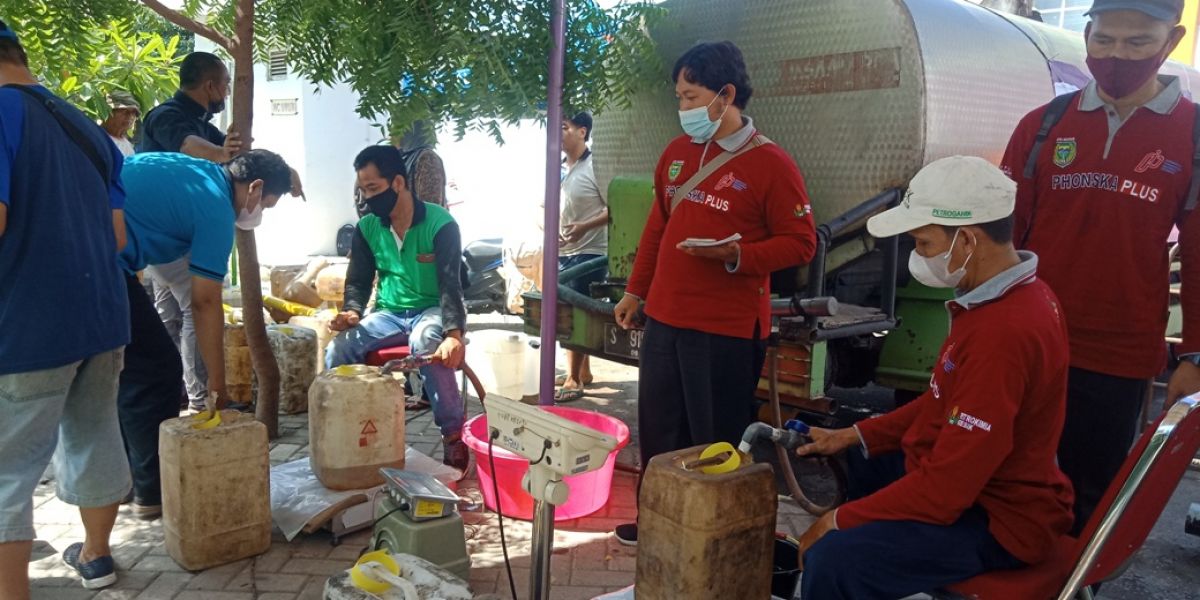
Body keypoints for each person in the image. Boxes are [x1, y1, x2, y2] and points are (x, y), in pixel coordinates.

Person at [796, 156, 1074, 600]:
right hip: (982, 488)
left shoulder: (1004, 332)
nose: (918, 257)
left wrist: (838, 521)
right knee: (867, 459)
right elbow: (943, 403)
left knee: (834, 558)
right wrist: (854, 435)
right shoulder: (1009, 296)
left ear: (966, 239)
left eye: (923, 244)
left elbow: (946, 493)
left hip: (999, 519)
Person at [1000, 0, 1200, 534]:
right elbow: (1003, 238)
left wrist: (1194, 356)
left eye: (1137, 43)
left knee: (1092, 502)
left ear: (1172, 39)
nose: (1116, 55)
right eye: (1104, 39)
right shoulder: (1044, 124)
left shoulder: (1193, 135)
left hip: (1119, 356)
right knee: (1007, 483)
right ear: (1087, 34)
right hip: (1031, 346)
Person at [611, 41, 817, 545]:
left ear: (725, 96)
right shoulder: (677, 154)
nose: (682, 108)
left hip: (724, 330)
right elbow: (657, 229)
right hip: (665, 319)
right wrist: (636, 292)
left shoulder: (770, 163)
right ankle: (658, 522)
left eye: (690, 96)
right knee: (661, 432)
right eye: (679, 97)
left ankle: (712, 537)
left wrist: (736, 255)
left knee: (716, 440)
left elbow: (801, 242)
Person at [0, 22, 132, 594]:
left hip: (28, 325)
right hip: (101, 317)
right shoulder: (87, 129)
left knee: (7, 469)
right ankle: (97, 557)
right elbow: (119, 237)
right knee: (96, 434)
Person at [116, 150, 294, 519]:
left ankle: (119, 481)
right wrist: (218, 387)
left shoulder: (198, 172)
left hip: (83, 248)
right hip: (94, 259)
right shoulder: (216, 206)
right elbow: (205, 303)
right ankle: (149, 490)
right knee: (157, 370)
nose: (260, 214)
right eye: (268, 205)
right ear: (254, 187)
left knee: (120, 369)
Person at [327, 145, 470, 470]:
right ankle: (347, 435)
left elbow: (451, 284)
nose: (365, 199)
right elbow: (359, 282)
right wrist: (351, 312)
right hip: (389, 313)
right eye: (362, 190)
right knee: (338, 351)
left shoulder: (441, 223)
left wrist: (454, 335)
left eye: (373, 189)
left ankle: (453, 438)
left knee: (427, 342)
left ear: (398, 184)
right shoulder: (367, 228)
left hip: (432, 310)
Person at [137, 51, 241, 412]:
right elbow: (190, 146)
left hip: (166, 242)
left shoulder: (201, 123)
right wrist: (221, 152)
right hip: (155, 241)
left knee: (169, 321)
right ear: (211, 85)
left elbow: (234, 156)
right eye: (225, 85)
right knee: (198, 310)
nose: (226, 93)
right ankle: (204, 401)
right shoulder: (166, 116)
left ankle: (176, 392)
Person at [555, 111, 608, 403]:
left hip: (589, 252)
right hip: (564, 251)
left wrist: (584, 227)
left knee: (575, 316)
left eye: (565, 127)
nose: (558, 134)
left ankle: (574, 380)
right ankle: (582, 372)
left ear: (582, 132)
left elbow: (614, 209)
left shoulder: (596, 166)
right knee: (566, 312)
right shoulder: (561, 168)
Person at [101, 91, 138, 157]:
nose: (130, 116)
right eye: (125, 111)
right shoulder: (98, 138)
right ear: (108, 112)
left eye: (133, 112)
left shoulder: (127, 144)